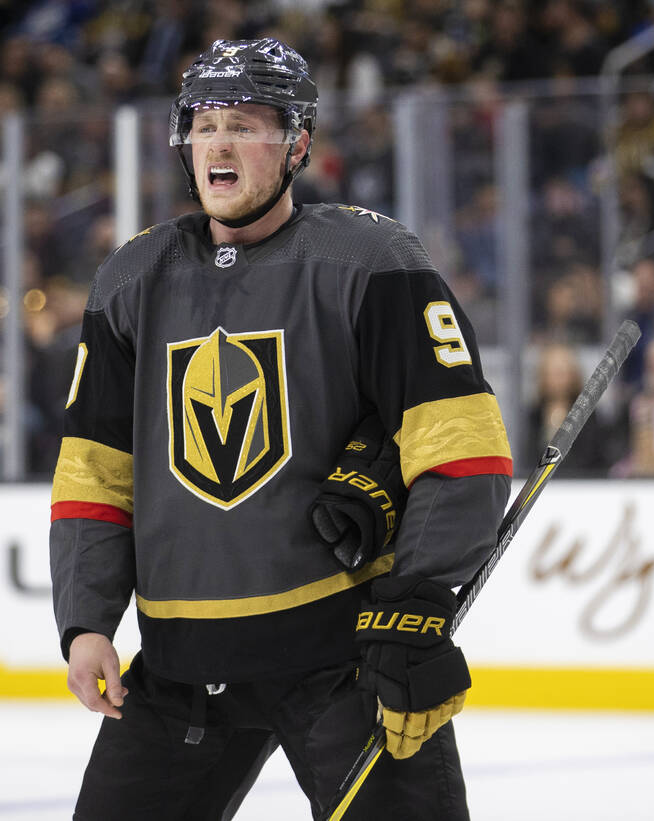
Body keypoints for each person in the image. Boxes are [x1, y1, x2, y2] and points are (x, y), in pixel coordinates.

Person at [49, 37, 512, 820]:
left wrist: (419, 600)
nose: (219, 143)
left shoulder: (372, 261)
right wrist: (86, 619)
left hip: (341, 659)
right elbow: (97, 467)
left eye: (246, 124)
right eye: (203, 126)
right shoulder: (131, 279)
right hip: (177, 667)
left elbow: (460, 445)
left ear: (298, 143)